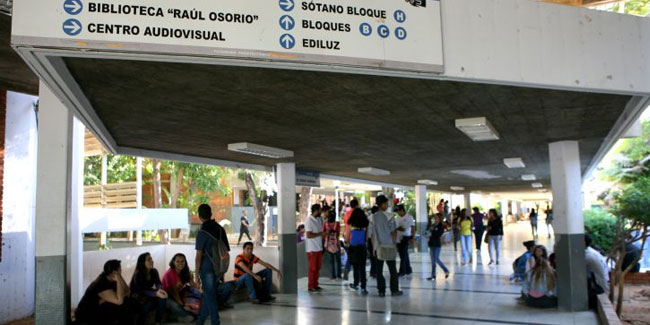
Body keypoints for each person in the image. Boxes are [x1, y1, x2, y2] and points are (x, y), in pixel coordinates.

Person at [195, 203, 231, 325]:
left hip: (207, 268)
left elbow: (199, 255)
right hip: (219, 267)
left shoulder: (202, 232)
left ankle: (216, 321)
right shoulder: (220, 229)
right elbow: (226, 250)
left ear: (200, 216)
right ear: (211, 214)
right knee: (209, 294)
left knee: (210, 295)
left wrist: (196, 275)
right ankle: (200, 321)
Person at [75, 259, 136, 324]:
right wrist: (118, 278)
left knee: (127, 303)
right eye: (120, 269)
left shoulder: (111, 278)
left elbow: (127, 291)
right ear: (114, 272)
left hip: (98, 311)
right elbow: (119, 301)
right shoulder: (101, 284)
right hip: (86, 316)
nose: (121, 271)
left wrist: (119, 277)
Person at [370, 195, 403, 297]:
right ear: (382, 204)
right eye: (387, 203)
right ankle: (394, 290)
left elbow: (372, 235)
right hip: (389, 246)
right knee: (392, 270)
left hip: (379, 247)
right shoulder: (390, 216)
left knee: (379, 270)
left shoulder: (372, 217)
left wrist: (373, 248)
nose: (388, 205)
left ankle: (381, 291)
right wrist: (395, 244)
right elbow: (393, 232)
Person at [130, 252, 168, 325]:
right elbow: (141, 291)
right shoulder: (138, 275)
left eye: (151, 259)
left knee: (162, 299)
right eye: (148, 260)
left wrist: (160, 290)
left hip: (148, 294)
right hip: (137, 297)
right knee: (148, 305)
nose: (152, 261)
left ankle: (158, 321)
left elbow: (158, 283)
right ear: (142, 263)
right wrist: (155, 293)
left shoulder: (154, 271)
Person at [162, 253, 200, 323]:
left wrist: (200, 291)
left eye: (182, 261)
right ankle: (173, 316)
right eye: (178, 261)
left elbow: (192, 284)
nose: (181, 263)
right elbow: (173, 293)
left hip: (180, 293)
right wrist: (183, 305)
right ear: (173, 262)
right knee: (190, 318)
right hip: (168, 297)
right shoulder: (169, 273)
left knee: (196, 292)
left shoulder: (185, 270)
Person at [347, 207, 370, 294]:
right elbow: (367, 238)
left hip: (353, 247)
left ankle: (356, 284)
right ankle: (363, 287)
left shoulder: (351, 224)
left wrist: (349, 243)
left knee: (355, 267)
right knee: (362, 268)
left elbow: (348, 237)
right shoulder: (365, 224)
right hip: (362, 247)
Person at [305, 203, 324, 292]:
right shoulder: (309, 221)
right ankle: (310, 286)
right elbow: (309, 235)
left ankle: (316, 284)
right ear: (316, 211)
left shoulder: (319, 219)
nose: (321, 211)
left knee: (317, 267)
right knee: (312, 268)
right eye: (320, 210)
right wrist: (320, 234)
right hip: (312, 248)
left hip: (319, 247)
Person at [427, 213, 449, 281]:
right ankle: (433, 276)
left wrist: (432, 231)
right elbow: (428, 232)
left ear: (439, 218)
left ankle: (446, 270)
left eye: (436, 217)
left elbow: (438, 234)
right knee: (433, 261)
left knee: (436, 259)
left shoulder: (440, 226)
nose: (435, 218)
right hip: (431, 244)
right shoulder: (433, 225)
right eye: (434, 217)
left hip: (437, 245)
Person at [322, 206, 342, 280]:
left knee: (332, 262)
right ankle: (339, 275)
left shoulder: (325, 224)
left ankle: (333, 276)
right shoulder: (337, 224)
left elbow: (323, 234)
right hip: (336, 244)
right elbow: (338, 233)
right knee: (338, 261)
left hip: (328, 245)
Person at [395, 204, 415, 276]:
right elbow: (397, 228)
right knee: (404, 254)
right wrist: (399, 228)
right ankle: (408, 269)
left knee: (403, 255)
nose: (397, 213)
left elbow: (412, 227)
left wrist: (413, 237)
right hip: (398, 238)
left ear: (402, 210)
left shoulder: (409, 217)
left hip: (405, 237)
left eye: (398, 211)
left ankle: (402, 271)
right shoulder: (397, 218)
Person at [367, 205, 379, 278]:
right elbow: (372, 233)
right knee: (375, 256)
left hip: (370, 240)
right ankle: (374, 272)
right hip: (373, 240)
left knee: (372, 257)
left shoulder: (369, 218)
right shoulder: (374, 218)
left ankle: (373, 272)